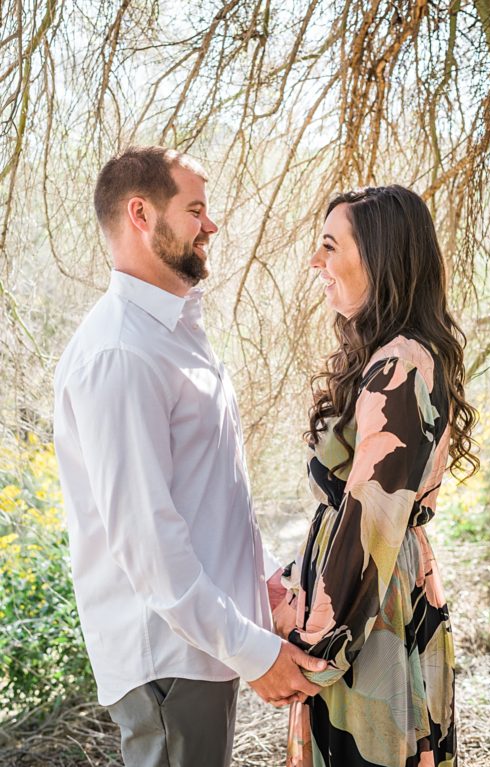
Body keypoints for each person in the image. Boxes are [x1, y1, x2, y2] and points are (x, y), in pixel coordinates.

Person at [53, 146, 327, 767]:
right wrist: (253, 652)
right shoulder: (120, 353)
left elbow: (215, 494)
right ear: (142, 214)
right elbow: (149, 541)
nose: (213, 225)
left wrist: (264, 592)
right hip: (167, 662)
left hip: (201, 651)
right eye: (196, 209)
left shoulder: (172, 335)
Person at [270, 186, 477, 766]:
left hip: (371, 620)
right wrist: (293, 582)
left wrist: (316, 651)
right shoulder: (388, 355)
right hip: (360, 609)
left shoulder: (403, 363)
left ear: (380, 256)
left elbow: (370, 522)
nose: (316, 261)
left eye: (330, 246)